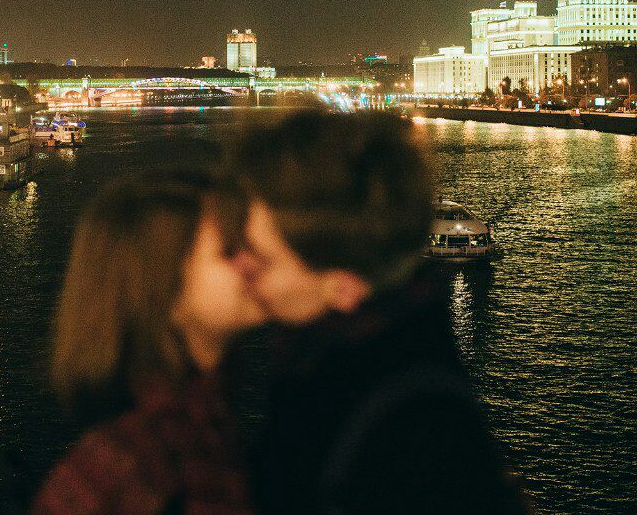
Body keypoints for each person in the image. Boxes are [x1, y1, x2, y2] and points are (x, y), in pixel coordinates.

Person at [230, 110, 530, 514]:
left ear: (344, 286)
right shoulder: (372, 372)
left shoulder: (402, 443)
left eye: (262, 258)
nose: (240, 266)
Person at [32, 168, 264, 515]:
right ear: (164, 281)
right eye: (229, 250)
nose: (254, 261)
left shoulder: (205, 428)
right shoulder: (124, 469)